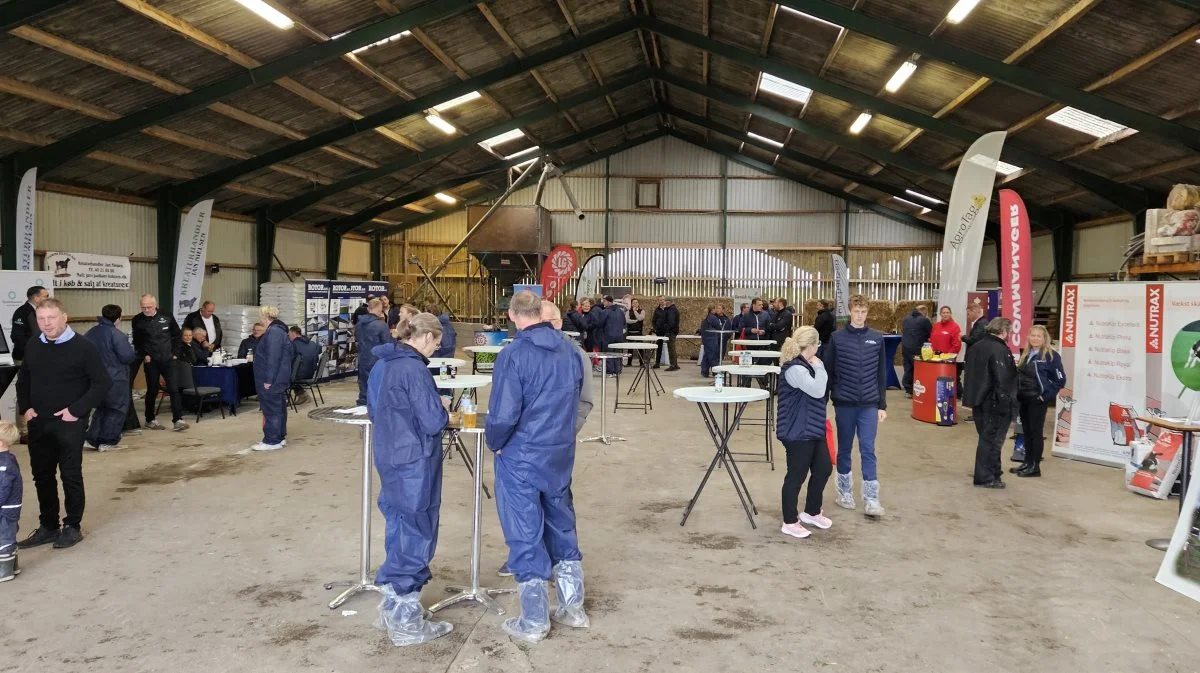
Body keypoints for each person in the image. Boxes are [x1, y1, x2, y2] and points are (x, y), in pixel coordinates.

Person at [487, 291, 588, 643]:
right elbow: (576, 401)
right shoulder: (570, 351)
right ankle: (572, 608)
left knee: (524, 529)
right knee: (562, 522)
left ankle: (534, 620)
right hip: (558, 452)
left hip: (521, 455)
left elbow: (503, 413)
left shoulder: (513, 354)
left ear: (514, 315)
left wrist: (495, 443)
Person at [366, 313, 453, 646]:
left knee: (398, 526)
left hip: (389, 454)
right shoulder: (414, 369)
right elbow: (432, 421)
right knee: (417, 531)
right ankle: (406, 622)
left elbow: (376, 409)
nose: (436, 350)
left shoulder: (382, 364)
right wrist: (442, 406)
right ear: (427, 337)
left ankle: (391, 608)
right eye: (437, 343)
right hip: (415, 460)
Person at [15, 298, 112, 550]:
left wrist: (76, 410)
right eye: (41, 319)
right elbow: (23, 378)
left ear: (64, 317)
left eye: (51, 318)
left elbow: (102, 383)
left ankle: (72, 526)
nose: (46, 324)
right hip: (39, 421)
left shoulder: (84, 347)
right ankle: (48, 526)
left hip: (69, 421)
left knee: (70, 474)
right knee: (41, 475)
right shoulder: (34, 344)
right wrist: (26, 408)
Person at [822, 294, 887, 518]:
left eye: (863, 311)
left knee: (868, 448)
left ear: (868, 313)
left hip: (869, 403)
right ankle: (844, 491)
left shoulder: (877, 339)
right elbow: (829, 372)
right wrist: (823, 402)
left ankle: (871, 497)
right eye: (856, 311)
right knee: (845, 448)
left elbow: (881, 374)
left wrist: (882, 404)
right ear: (850, 311)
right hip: (845, 403)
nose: (860, 315)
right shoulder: (837, 338)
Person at [777, 326, 832, 539]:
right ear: (811, 346)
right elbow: (818, 390)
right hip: (797, 432)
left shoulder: (804, 365)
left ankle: (812, 511)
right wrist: (820, 367)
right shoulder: (796, 369)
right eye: (817, 345)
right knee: (796, 476)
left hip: (813, 428)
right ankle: (789, 521)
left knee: (824, 468)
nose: (818, 348)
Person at [964, 318, 1018, 489]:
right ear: (1004, 331)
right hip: (994, 402)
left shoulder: (976, 346)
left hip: (978, 401)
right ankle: (986, 477)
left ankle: (993, 472)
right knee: (992, 441)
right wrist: (1008, 403)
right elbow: (1003, 379)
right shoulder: (1000, 350)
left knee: (986, 438)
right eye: (1009, 332)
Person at [1011, 325, 1066, 478]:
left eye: (1039, 336)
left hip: (1037, 400)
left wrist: (1044, 396)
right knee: (1026, 432)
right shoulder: (1026, 354)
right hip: (1024, 399)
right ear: (1028, 337)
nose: (1035, 338)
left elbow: (1060, 381)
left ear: (1044, 338)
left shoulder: (1051, 356)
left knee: (1035, 433)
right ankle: (1027, 462)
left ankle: (1035, 467)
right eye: (1033, 335)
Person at [131, 294, 188, 432]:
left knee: (174, 389)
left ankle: (178, 420)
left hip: (169, 359)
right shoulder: (137, 320)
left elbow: (177, 335)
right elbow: (137, 341)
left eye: (149, 307)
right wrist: (144, 355)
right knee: (152, 390)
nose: (146, 310)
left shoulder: (167, 315)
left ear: (155, 305)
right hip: (152, 361)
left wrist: (175, 353)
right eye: (143, 307)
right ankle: (150, 419)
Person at [84, 305, 137, 451]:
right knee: (116, 409)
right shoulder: (117, 334)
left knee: (102, 409)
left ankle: (92, 439)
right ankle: (108, 441)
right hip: (115, 379)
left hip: (95, 379)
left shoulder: (91, 332)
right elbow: (127, 357)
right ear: (118, 318)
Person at [10, 285, 49, 443]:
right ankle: (24, 431)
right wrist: (32, 352)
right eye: (45, 296)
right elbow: (17, 338)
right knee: (25, 391)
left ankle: (39, 426)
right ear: (36, 297)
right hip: (25, 359)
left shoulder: (42, 313)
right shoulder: (23, 312)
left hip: (42, 359)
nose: (47, 298)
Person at [250, 306, 291, 452]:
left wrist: (268, 380)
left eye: (261, 316)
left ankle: (271, 440)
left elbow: (272, 358)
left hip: (271, 379)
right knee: (278, 408)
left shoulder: (273, 332)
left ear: (265, 316)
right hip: (279, 377)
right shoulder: (279, 331)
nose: (260, 319)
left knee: (271, 409)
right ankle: (278, 438)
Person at [356, 299, 392, 406]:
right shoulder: (381, 325)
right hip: (377, 361)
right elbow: (388, 345)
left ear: (368, 308)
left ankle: (362, 407)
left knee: (363, 387)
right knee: (377, 387)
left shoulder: (359, 324)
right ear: (380, 308)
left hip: (363, 359)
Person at [0, 421, 23, 581]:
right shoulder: (9, 458)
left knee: (4, 538)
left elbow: (2, 489)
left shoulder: (4, 465)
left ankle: (4, 571)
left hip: (6, 508)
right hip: (10, 507)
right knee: (8, 535)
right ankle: (13, 566)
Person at [900, 305, 933, 398]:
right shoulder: (924, 320)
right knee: (919, 370)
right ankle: (918, 389)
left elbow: (903, 330)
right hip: (918, 348)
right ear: (924, 312)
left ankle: (908, 388)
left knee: (908, 369)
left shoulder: (906, 318)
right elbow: (931, 332)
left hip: (905, 348)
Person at [288, 326, 321, 404]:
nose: (288, 337)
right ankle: (303, 395)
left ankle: (284, 400)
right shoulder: (312, 343)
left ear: (293, 333)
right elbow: (316, 359)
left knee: (283, 376)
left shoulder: (293, 345)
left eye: (288, 334)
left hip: (299, 375)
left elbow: (289, 361)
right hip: (311, 374)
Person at [699, 304, 731, 378]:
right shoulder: (713, 318)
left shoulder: (707, 317)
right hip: (712, 339)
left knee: (707, 355)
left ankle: (705, 371)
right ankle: (715, 372)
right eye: (716, 308)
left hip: (709, 339)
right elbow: (719, 327)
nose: (717, 310)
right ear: (713, 310)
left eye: (719, 308)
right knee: (713, 356)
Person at [596, 295, 625, 375]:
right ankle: (618, 370)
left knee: (608, 353)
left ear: (608, 302)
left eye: (604, 301)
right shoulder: (621, 311)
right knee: (618, 353)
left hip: (608, 336)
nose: (603, 303)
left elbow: (600, 323)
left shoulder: (605, 311)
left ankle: (610, 371)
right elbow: (624, 323)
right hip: (619, 336)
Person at [653, 297, 680, 371]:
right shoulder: (671, 309)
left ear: (669, 302)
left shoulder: (671, 310)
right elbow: (654, 320)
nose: (664, 302)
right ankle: (675, 364)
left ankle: (673, 365)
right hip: (665, 331)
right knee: (672, 347)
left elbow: (671, 322)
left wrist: (666, 327)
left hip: (670, 331)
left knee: (671, 348)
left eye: (665, 301)